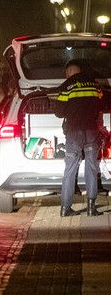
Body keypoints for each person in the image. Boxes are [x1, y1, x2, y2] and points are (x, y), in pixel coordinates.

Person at [54, 59, 104, 217]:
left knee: (69, 170)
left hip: (74, 133)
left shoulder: (67, 86)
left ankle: (65, 208)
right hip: (91, 131)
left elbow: (58, 112)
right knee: (91, 167)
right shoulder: (95, 85)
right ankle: (91, 207)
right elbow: (102, 105)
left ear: (69, 72)